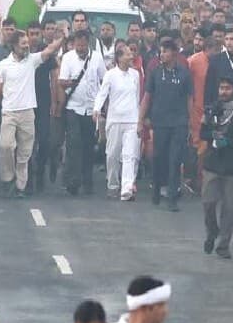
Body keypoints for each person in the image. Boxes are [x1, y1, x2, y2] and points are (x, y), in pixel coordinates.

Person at [0, 30, 63, 198]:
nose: (26, 47)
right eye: (23, 44)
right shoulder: (4, 65)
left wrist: (62, 38)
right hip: (9, 112)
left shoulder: (32, 61)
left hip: (28, 112)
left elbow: (49, 51)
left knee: (24, 153)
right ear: (14, 46)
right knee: (6, 146)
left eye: (27, 44)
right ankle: (8, 179)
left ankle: (20, 187)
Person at [200, 76, 233, 259]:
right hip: (212, 164)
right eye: (221, 88)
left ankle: (223, 246)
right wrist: (213, 138)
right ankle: (212, 231)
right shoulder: (211, 108)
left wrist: (229, 141)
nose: (223, 91)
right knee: (208, 203)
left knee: (229, 208)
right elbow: (202, 132)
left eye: (227, 88)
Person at [141, 39, 193, 211]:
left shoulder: (184, 74)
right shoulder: (155, 73)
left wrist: (191, 122)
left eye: (165, 51)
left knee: (175, 160)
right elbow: (147, 97)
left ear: (174, 53)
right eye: (160, 51)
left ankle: (172, 196)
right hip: (160, 122)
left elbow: (189, 99)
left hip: (179, 123)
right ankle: (156, 187)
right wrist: (141, 119)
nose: (161, 55)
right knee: (158, 157)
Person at [59, 29, 103, 196]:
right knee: (73, 144)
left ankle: (87, 180)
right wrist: (73, 82)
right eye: (77, 45)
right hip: (73, 107)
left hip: (90, 109)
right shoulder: (68, 58)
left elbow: (103, 80)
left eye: (83, 45)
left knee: (88, 146)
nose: (80, 48)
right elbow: (61, 82)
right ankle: (73, 180)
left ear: (88, 43)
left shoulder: (97, 58)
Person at [93, 45, 140, 201]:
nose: (131, 56)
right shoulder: (111, 75)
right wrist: (97, 109)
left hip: (132, 120)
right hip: (115, 120)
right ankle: (113, 184)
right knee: (112, 154)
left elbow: (137, 97)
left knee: (129, 154)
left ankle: (127, 187)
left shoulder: (135, 75)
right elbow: (102, 93)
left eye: (131, 53)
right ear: (119, 57)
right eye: (127, 54)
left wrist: (139, 118)